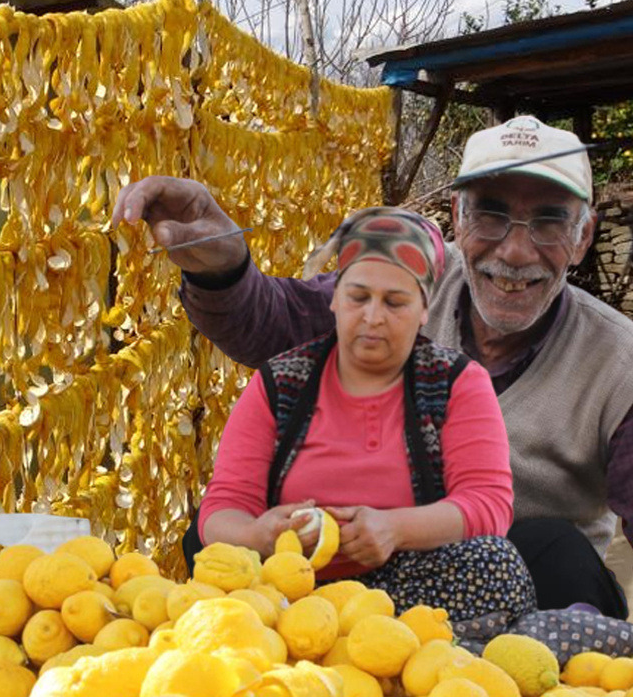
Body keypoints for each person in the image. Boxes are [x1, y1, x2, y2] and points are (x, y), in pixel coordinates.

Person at [115, 115, 633, 618]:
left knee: (555, 548)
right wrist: (223, 268)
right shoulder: (393, 267)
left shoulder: (618, 359)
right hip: (310, 573)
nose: (516, 251)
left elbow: (489, 504)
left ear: (584, 236)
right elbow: (273, 319)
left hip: (484, 575)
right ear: (457, 216)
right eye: (491, 214)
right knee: (209, 543)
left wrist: (396, 528)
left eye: (549, 221)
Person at [194, 206, 532, 621]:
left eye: (395, 302)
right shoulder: (280, 385)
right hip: (291, 592)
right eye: (358, 297)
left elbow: (488, 505)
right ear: (335, 298)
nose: (373, 318)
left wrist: (394, 530)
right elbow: (223, 506)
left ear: (424, 310)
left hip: (415, 594)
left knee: (494, 564)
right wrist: (255, 534)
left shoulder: (456, 383)